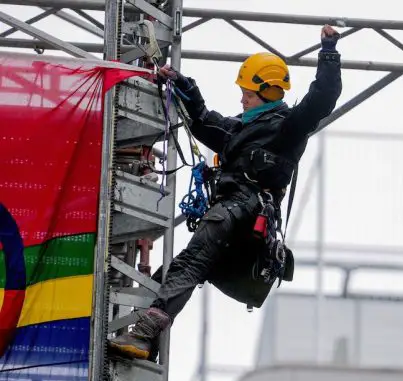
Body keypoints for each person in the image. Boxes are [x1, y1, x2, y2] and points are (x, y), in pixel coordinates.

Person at [109, 24, 342, 361]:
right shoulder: (240, 129)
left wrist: (329, 52)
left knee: (189, 264)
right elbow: (203, 121)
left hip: (243, 212)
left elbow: (322, 99)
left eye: (247, 93)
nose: (242, 98)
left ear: (268, 92)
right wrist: (182, 83)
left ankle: (144, 335)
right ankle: (145, 342)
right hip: (232, 214)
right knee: (175, 272)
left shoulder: (288, 128)